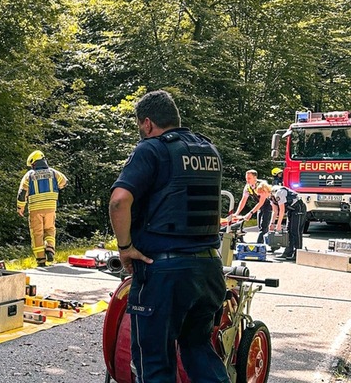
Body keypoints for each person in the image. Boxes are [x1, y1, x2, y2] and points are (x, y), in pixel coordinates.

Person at [109, 90, 229, 382]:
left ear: (147, 124)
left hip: (164, 273)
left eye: (140, 127)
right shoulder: (208, 150)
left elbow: (119, 201)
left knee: (155, 363)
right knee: (198, 348)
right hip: (209, 270)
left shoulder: (151, 149)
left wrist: (125, 247)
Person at [16, 150, 68, 266]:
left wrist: (20, 207)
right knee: (50, 229)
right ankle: (50, 248)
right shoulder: (54, 173)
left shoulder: (29, 175)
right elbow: (64, 183)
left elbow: (22, 192)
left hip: (35, 209)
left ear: (34, 163)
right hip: (50, 208)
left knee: (37, 233)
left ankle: (41, 260)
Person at [234, 170, 272, 243]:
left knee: (264, 226)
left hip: (268, 205)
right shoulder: (247, 187)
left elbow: (261, 202)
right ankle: (267, 242)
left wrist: (250, 213)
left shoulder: (262, 185)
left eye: (249, 178)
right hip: (260, 206)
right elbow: (243, 200)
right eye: (246, 178)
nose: (247, 180)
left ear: (255, 177)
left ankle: (259, 245)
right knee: (260, 226)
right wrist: (237, 213)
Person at [270, 185, 306, 261]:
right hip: (291, 210)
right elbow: (275, 211)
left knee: (295, 231)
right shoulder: (271, 196)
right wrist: (272, 223)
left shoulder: (279, 192)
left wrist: (279, 224)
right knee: (288, 231)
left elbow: (282, 210)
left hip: (298, 208)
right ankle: (288, 252)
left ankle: (298, 253)